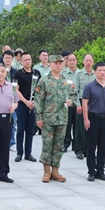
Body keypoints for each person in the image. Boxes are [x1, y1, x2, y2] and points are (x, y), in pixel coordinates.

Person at [34, 54, 71, 182]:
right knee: (47, 145)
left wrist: (70, 101)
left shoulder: (66, 80)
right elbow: (38, 100)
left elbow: (73, 95)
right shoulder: (44, 81)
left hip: (62, 118)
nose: (59, 64)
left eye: (61, 63)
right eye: (56, 63)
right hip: (48, 118)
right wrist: (39, 117)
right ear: (50, 64)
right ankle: (46, 171)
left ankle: (55, 170)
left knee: (59, 145)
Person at [82, 61, 105, 182]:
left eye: (104, 70)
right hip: (93, 118)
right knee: (91, 146)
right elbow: (84, 103)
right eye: (99, 70)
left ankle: (100, 171)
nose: (102, 72)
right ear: (95, 72)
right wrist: (86, 119)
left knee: (103, 146)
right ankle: (91, 171)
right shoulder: (89, 86)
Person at [12, 52, 41, 162]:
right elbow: (15, 90)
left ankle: (28, 153)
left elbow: (39, 89)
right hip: (22, 105)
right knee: (20, 129)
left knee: (30, 130)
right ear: (21, 61)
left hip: (33, 104)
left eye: (29, 59)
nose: (28, 61)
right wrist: (25, 101)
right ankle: (19, 152)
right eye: (25, 60)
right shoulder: (18, 74)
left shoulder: (36, 73)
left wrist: (34, 101)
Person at [73, 54, 95, 159]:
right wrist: (78, 104)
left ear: (93, 62)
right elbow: (74, 91)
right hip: (82, 102)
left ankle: (88, 150)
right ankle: (79, 150)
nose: (88, 62)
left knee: (91, 127)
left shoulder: (96, 74)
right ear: (83, 62)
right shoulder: (78, 74)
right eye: (86, 60)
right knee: (80, 128)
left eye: (90, 60)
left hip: (94, 103)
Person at [61, 51, 79, 153]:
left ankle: (76, 144)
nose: (72, 62)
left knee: (77, 125)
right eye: (70, 60)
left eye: (73, 60)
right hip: (67, 103)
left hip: (77, 103)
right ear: (66, 62)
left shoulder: (80, 73)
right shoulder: (63, 74)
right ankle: (66, 143)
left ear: (76, 61)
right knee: (67, 125)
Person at [32, 50, 50, 135]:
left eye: (46, 55)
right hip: (40, 91)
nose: (45, 57)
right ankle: (36, 127)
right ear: (39, 57)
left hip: (50, 92)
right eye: (43, 55)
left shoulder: (51, 67)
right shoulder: (36, 67)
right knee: (38, 109)